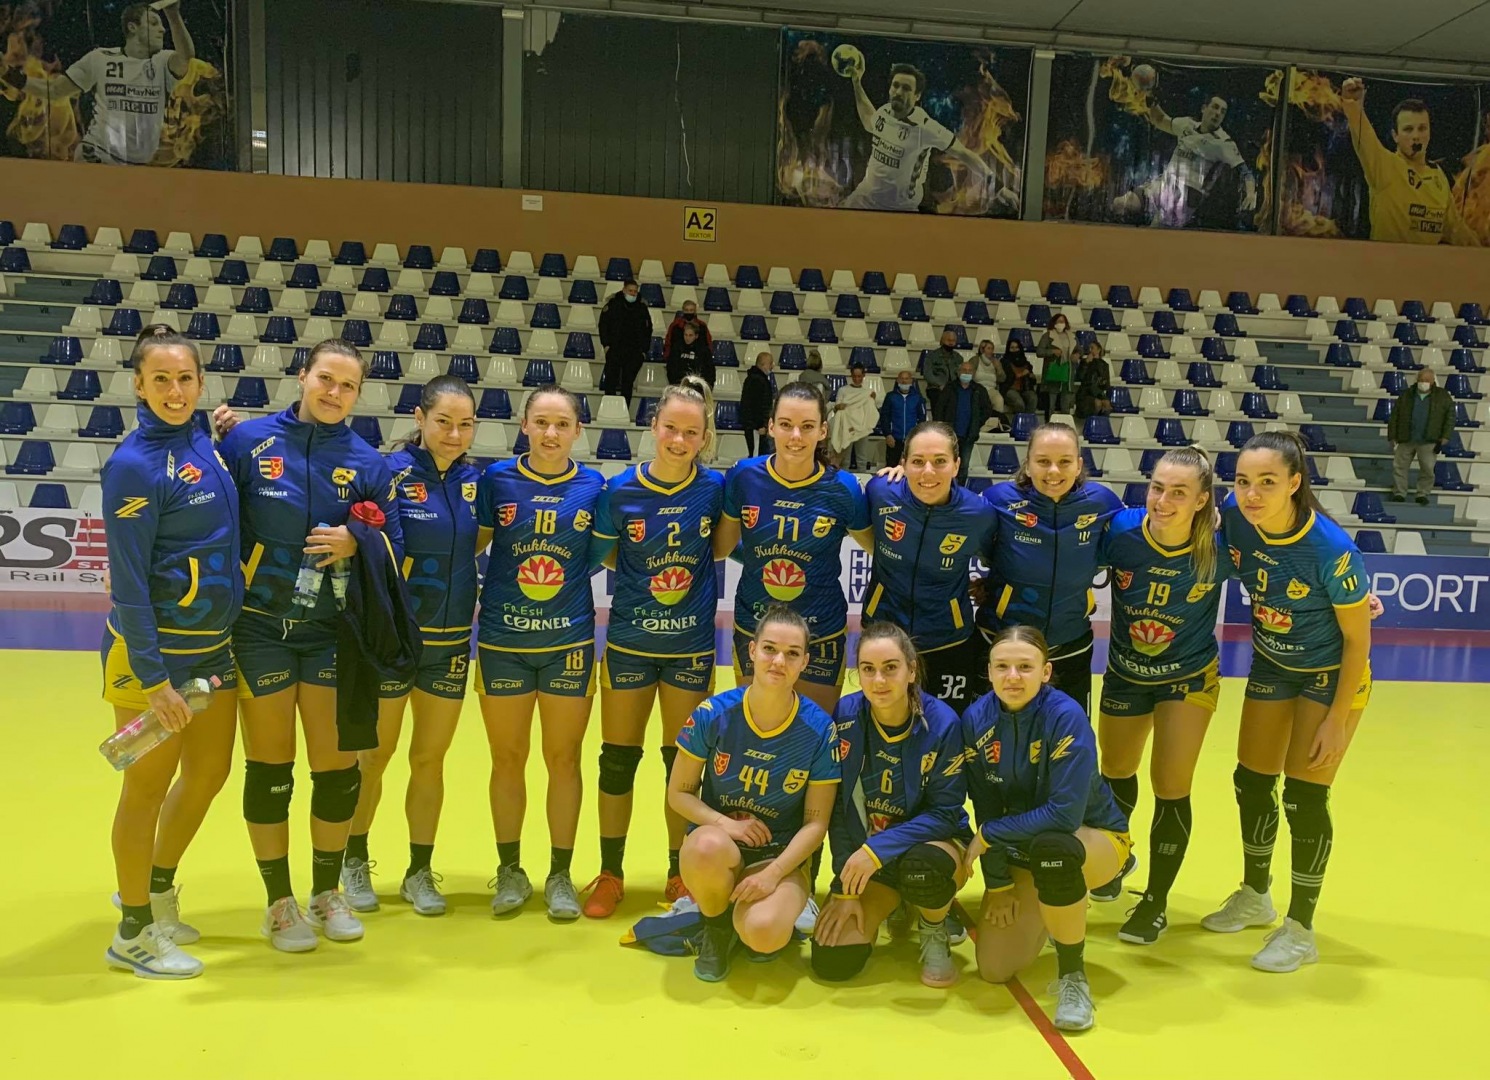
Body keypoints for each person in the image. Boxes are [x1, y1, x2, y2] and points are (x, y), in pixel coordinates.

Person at [219, 339, 402, 952]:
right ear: (303, 376)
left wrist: (357, 542)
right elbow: (210, 515)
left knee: (337, 770)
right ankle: (279, 903)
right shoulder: (248, 443)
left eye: (348, 386)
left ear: (359, 395)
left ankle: (327, 892)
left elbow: (394, 547)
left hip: (331, 634)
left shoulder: (369, 463)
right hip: (260, 630)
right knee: (271, 768)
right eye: (326, 378)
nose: (334, 393)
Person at [100, 325, 241, 979]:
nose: (175, 391)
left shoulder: (200, 439)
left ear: (201, 383)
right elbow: (128, 582)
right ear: (138, 385)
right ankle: (132, 932)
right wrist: (154, 679)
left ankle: (156, 893)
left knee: (209, 773)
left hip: (213, 653)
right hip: (153, 661)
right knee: (145, 789)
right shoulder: (132, 465)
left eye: (185, 378)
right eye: (161, 379)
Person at [1203, 431, 1373, 972]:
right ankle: (1256, 895)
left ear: (1295, 483)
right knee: (1251, 781)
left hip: (1330, 676)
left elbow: (1358, 642)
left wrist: (1338, 719)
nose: (1252, 494)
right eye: (1243, 481)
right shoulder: (1236, 519)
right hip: (1273, 665)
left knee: (1304, 797)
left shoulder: (1331, 549)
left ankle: (1301, 928)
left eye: (1267, 482)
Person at [583, 377, 728, 918]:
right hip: (630, 641)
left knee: (681, 766)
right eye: (671, 428)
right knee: (617, 760)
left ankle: (679, 872)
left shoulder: (716, 490)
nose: (679, 440)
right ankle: (610, 873)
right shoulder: (620, 490)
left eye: (691, 432)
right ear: (654, 427)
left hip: (690, 645)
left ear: (704, 437)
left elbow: (722, 547)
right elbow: (607, 555)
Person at [339, 376, 483, 918]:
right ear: (420, 419)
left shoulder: (478, 483)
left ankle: (419, 871)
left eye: (465, 424)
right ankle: (353, 860)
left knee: (429, 760)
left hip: (450, 645)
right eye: (443, 421)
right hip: (392, 642)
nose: (454, 434)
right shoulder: (388, 474)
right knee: (374, 757)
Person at [476, 386, 614, 921]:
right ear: (524, 425)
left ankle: (560, 874)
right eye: (541, 422)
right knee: (507, 758)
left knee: (564, 759)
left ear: (578, 430)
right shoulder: (496, 480)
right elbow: (471, 546)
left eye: (562, 424)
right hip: (503, 642)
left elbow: (602, 554)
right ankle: (510, 869)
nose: (551, 433)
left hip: (568, 644)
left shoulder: (593, 487)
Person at [960, 627, 1130, 1032]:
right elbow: (986, 806)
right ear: (989, 671)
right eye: (1002, 667)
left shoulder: (1065, 715)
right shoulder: (975, 719)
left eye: (1025, 667)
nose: (1013, 677)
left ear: (1046, 672)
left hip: (1090, 836)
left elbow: (1064, 816)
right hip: (1025, 848)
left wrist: (989, 835)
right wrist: (998, 884)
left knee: (1055, 850)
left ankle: (1073, 977)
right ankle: (1057, 906)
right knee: (994, 968)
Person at [1094, 447, 1228, 937]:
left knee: (1170, 784)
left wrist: (1358, 597)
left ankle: (1155, 901)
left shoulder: (1222, 544)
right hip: (1126, 672)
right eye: (1157, 488)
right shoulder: (1120, 532)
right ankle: (1116, 858)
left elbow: (1285, 568)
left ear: (1202, 500)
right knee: (1115, 772)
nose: (1163, 501)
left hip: (1187, 677)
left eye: (1179, 492)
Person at [667, 605, 841, 982]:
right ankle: (716, 927)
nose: (779, 661)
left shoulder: (819, 730)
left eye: (792, 653)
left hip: (779, 855)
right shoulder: (713, 713)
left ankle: (754, 913)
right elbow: (678, 793)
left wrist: (773, 874)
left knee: (763, 934)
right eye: (769, 649)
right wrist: (725, 824)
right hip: (721, 845)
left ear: (804, 662)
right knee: (704, 847)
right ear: (752, 651)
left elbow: (816, 823)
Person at [813, 624, 971, 986]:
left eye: (890, 667)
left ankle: (933, 925)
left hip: (930, 846)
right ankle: (898, 902)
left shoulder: (942, 723)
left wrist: (877, 849)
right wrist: (845, 887)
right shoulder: (846, 715)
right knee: (833, 960)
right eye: (868, 669)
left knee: (923, 869)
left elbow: (945, 813)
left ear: (911, 670)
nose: (879, 680)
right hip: (873, 858)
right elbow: (840, 807)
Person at [714, 382, 874, 716]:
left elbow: (881, 549)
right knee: (756, 730)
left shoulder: (843, 489)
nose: (796, 436)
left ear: (823, 431)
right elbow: (721, 548)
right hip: (756, 626)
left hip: (821, 630)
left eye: (807, 426)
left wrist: (900, 482)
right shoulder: (744, 477)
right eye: (786, 425)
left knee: (815, 734)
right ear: (771, 426)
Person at [979, 422, 1124, 715]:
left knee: (1069, 737)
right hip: (1001, 643)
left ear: (1079, 465)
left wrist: (1206, 516)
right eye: (1043, 461)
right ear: (1028, 464)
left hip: (1070, 647)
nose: (1053, 471)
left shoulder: (1102, 503)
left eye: (1064, 462)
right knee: (993, 737)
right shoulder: (998, 501)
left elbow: (1150, 528)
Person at [864, 422, 999, 714]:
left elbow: (1000, 559)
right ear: (903, 463)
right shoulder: (880, 491)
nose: (928, 472)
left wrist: (989, 584)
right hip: (883, 631)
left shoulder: (978, 514)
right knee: (884, 726)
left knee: (948, 728)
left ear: (956, 465)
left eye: (939, 461)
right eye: (917, 461)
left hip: (949, 639)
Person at [3, 1, 196, 166]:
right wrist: (8, 75)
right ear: (132, 27)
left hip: (138, 165)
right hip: (98, 156)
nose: (162, 29)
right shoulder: (100, 58)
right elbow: (54, 90)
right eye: (153, 23)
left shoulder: (162, 62)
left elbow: (186, 57)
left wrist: (173, 15)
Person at [839, 59, 994, 213]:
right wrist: (856, 82)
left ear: (917, 96)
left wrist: (990, 178)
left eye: (906, 88)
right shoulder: (884, 112)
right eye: (895, 85)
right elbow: (869, 121)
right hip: (865, 198)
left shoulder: (925, 127)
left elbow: (962, 152)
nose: (898, 92)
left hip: (899, 208)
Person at [1341, 78, 1479, 246]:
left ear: (1429, 132)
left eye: (1422, 128)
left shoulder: (1438, 176)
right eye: (1408, 129)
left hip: (1427, 262)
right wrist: (1353, 106)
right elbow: (1365, 140)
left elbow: (1456, 229)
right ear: (1395, 136)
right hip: (1386, 261)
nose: (1416, 136)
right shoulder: (1385, 166)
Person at [1115, 94, 1258, 229]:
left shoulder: (1224, 143)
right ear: (1204, 108)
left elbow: (1246, 172)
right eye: (1215, 107)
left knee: (1155, 232)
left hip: (1185, 196)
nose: (1218, 113)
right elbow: (1160, 120)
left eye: (1222, 112)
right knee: (1120, 204)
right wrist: (1152, 101)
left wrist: (1251, 193)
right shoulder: (1186, 124)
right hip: (1164, 184)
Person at [1387, 367, 1454, 504]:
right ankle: (1399, 492)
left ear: (1433, 381)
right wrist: (1392, 435)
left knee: (1427, 469)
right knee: (1399, 467)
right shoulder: (1406, 395)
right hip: (1406, 437)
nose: (1423, 382)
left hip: (1430, 439)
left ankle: (1422, 494)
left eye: (1426, 380)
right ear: (1417, 380)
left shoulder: (1443, 396)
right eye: (1421, 380)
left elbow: (1450, 417)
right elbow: (1394, 416)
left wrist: (1445, 436)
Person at [931, 361, 997, 484]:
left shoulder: (979, 390)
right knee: (947, 464)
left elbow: (987, 409)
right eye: (964, 370)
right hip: (950, 435)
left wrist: (977, 422)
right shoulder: (950, 388)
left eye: (969, 370)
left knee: (964, 466)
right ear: (958, 372)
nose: (966, 373)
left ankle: (959, 491)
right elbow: (939, 408)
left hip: (969, 434)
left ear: (973, 373)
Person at [599, 279, 654, 403]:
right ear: (624, 290)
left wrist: (643, 351)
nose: (633, 293)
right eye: (630, 291)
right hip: (615, 349)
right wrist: (606, 345)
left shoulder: (641, 307)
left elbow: (648, 329)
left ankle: (625, 410)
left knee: (628, 383)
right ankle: (609, 408)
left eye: (635, 291)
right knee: (610, 382)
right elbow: (603, 326)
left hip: (634, 351)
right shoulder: (613, 304)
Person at [828, 363, 882, 469]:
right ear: (851, 376)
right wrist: (839, 406)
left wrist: (873, 399)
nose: (857, 379)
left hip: (862, 427)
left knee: (862, 458)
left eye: (859, 376)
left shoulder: (868, 392)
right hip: (847, 427)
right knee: (845, 459)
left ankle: (862, 478)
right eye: (854, 376)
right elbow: (836, 407)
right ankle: (844, 478)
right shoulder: (843, 390)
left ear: (863, 375)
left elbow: (872, 410)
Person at [879, 370, 927, 468]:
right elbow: (884, 416)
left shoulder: (918, 398)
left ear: (911, 381)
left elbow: (922, 418)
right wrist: (887, 434)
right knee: (891, 467)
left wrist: (918, 437)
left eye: (907, 379)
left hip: (911, 440)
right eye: (902, 379)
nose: (904, 381)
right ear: (897, 380)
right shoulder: (890, 397)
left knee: (911, 467)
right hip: (894, 439)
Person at [1036, 314, 1077, 417]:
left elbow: (1079, 349)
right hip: (1053, 371)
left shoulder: (1072, 336)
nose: (1061, 323)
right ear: (1054, 323)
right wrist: (1052, 351)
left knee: (1065, 405)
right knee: (1051, 404)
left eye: (1063, 321)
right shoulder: (1047, 336)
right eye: (1059, 321)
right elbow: (1039, 351)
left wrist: (1077, 355)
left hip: (1067, 371)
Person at [739, 350, 775, 457]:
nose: (772, 366)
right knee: (755, 455)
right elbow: (756, 406)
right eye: (770, 363)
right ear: (763, 364)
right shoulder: (758, 381)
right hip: (756, 428)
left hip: (754, 426)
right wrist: (761, 425)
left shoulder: (753, 379)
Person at [664, 320, 714, 389]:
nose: (687, 338)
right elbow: (671, 369)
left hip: (698, 387)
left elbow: (709, 372)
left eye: (690, 335)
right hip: (678, 386)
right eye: (686, 335)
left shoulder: (704, 351)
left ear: (696, 336)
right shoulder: (677, 349)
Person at [662, 300, 712, 366]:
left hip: (698, 362)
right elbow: (668, 343)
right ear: (683, 310)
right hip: (677, 361)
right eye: (687, 310)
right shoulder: (675, 326)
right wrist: (668, 358)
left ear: (695, 311)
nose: (689, 312)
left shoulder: (702, 326)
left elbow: (708, 344)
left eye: (691, 310)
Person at [921, 329, 962, 410]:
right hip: (936, 388)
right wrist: (939, 384)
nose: (951, 343)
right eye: (949, 340)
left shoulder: (958, 357)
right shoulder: (932, 356)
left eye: (953, 341)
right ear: (942, 340)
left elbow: (960, 373)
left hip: (953, 388)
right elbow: (927, 374)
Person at [1073, 341, 1113, 420]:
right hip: (1085, 393)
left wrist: (1102, 383)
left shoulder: (1104, 365)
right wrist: (1086, 363)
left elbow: (1106, 385)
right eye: (1089, 348)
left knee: (1107, 404)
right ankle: (1092, 421)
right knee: (1097, 404)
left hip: (1098, 392)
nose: (1090, 350)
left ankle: (1103, 423)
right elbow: (1080, 377)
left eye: (1092, 348)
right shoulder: (1084, 362)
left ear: (1098, 350)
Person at [971, 338, 1007, 422]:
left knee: (999, 400)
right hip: (978, 388)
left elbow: (1002, 379)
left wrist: (998, 369)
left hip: (991, 389)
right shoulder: (975, 360)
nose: (991, 351)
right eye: (988, 348)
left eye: (992, 349)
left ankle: (996, 423)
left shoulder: (996, 362)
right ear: (982, 349)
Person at [1000, 338, 1037, 417]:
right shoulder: (1004, 362)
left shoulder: (1026, 363)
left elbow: (1033, 381)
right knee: (1019, 404)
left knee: (1033, 398)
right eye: (1012, 348)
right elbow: (1006, 378)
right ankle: (1020, 421)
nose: (1015, 350)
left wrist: (1031, 376)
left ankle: (1028, 420)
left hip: (1025, 388)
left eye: (1017, 347)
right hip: (1010, 389)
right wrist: (1021, 374)